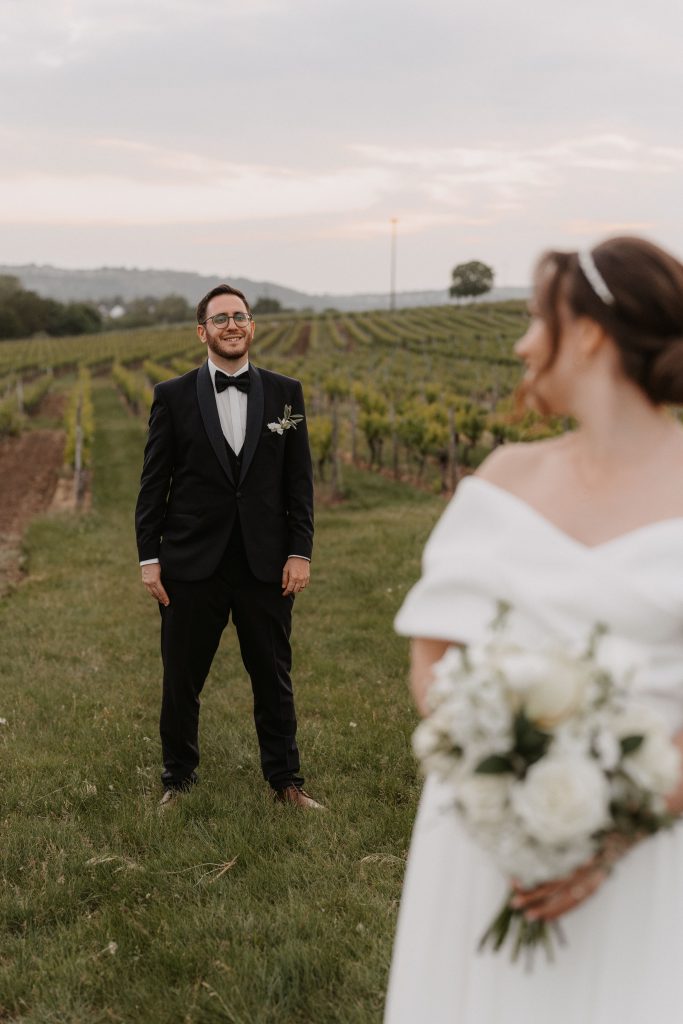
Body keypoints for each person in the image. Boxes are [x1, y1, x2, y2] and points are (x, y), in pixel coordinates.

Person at [385, 236, 683, 1023]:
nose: (520, 343)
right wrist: (498, 785)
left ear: (587, 332)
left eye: (532, 318)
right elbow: (431, 656)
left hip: (647, 854)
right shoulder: (504, 478)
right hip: (479, 848)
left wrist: (606, 836)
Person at [135, 284, 324, 810]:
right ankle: (177, 781)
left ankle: (286, 782)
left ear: (252, 326)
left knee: (273, 676)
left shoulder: (287, 393)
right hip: (191, 564)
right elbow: (154, 484)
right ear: (203, 332)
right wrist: (149, 559)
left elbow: (298, 482)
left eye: (240, 316)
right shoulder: (171, 396)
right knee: (181, 679)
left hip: (266, 563)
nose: (232, 325)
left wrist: (299, 551)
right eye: (220, 319)